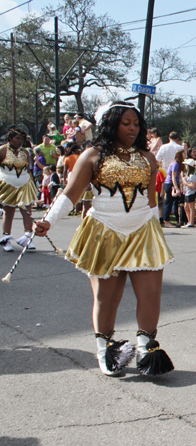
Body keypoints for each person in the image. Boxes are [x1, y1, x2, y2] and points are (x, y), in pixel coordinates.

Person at [35, 101, 174, 376]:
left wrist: (156, 231)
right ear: (111, 124)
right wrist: (49, 220)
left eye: (136, 123)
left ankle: (146, 349)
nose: (133, 128)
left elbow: (151, 201)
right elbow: (70, 193)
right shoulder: (92, 155)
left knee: (151, 295)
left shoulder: (147, 156)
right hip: (104, 231)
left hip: (142, 231)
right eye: (126, 123)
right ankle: (106, 349)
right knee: (107, 298)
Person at [0, 127, 37, 252]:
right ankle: (6, 238)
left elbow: (29, 169)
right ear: (10, 138)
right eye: (18, 138)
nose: (20, 141)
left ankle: (27, 237)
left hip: (25, 184)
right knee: (9, 211)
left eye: (22, 139)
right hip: (8, 184)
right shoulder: (3, 150)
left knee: (27, 210)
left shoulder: (26, 152)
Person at [163, 148, 184, 228]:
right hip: (170, 184)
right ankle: (167, 221)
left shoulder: (177, 163)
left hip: (173, 184)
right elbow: (173, 177)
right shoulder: (175, 164)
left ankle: (176, 221)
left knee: (174, 203)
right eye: (184, 154)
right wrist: (176, 188)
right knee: (169, 202)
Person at [181, 158, 196, 228]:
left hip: (191, 193)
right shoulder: (189, 175)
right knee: (185, 207)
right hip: (187, 192)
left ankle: (191, 222)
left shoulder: (192, 175)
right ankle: (189, 221)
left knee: (191, 207)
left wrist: (185, 183)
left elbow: (193, 186)